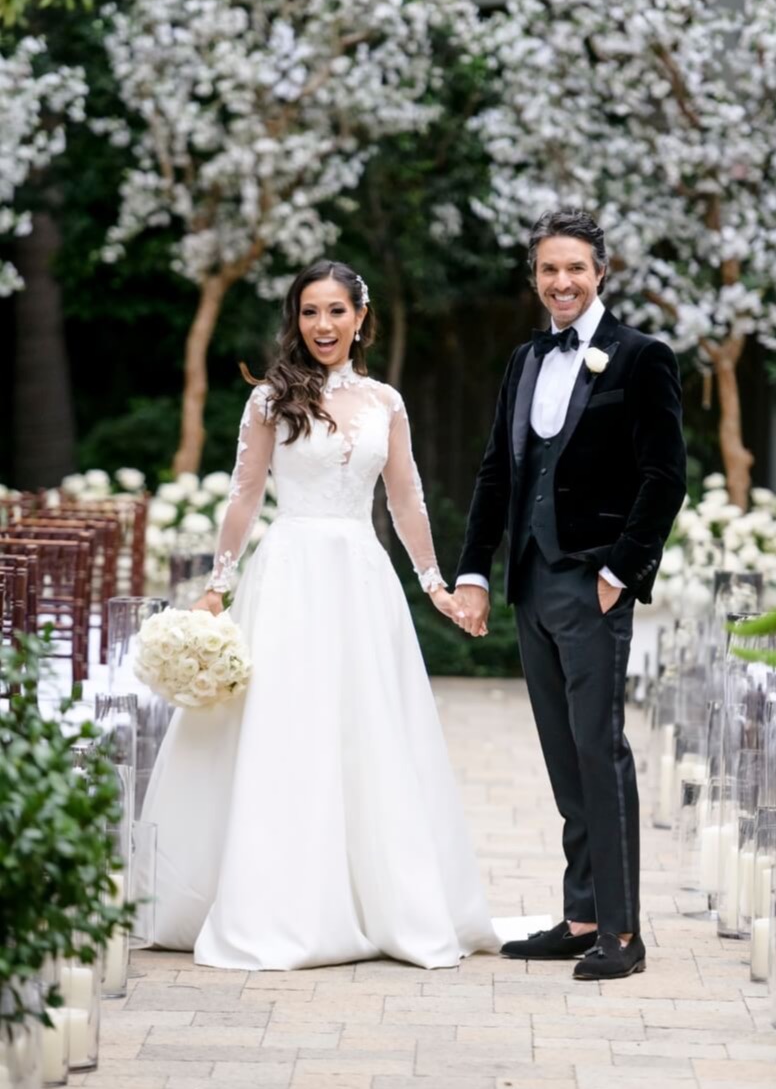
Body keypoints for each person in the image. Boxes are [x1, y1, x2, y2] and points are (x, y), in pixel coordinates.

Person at [142, 259, 497, 971]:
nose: (324, 325)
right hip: (290, 574)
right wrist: (219, 584)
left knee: (366, 728)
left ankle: (378, 899)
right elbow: (244, 496)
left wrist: (435, 584)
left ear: (360, 318)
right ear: (296, 319)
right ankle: (278, 898)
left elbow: (406, 500)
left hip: (361, 578)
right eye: (310, 312)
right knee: (284, 726)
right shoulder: (272, 399)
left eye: (336, 311)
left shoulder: (386, 402)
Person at [452, 209, 686, 980]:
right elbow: (497, 469)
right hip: (530, 580)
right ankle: (582, 914)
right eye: (549, 270)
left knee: (600, 748)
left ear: (601, 272)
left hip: (595, 585)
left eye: (575, 268)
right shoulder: (524, 360)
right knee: (562, 754)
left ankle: (622, 931)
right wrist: (476, 570)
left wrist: (622, 571)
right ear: (535, 278)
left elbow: (665, 475)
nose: (561, 282)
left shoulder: (642, 357)